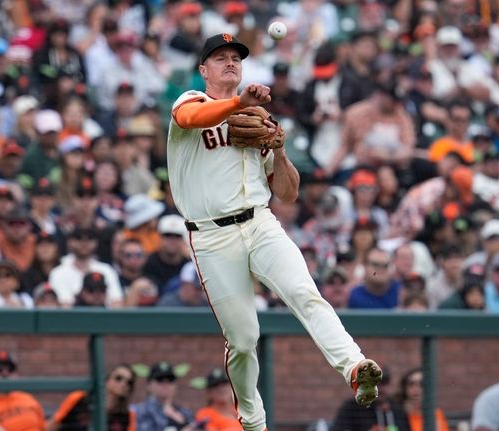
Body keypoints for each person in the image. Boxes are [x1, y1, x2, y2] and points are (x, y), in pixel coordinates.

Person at [166, 33, 382, 431]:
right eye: (219, 58)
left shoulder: (258, 119)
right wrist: (240, 103)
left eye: (235, 57)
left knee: (305, 292)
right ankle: (252, 422)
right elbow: (192, 119)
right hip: (212, 236)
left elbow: (288, 191)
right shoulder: (190, 103)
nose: (229, 62)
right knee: (244, 339)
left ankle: (354, 366)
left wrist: (279, 150)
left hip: (261, 221)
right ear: (203, 70)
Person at [46, 364, 137, 431]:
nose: (123, 384)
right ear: (107, 380)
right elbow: (53, 425)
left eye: (129, 382)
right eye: (118, 378)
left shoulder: (128, 416)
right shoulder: (78, 398)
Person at [331, 367, 411, 431]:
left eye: (384, 383)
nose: (380, 389)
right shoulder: (352, 407)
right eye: (375, 383)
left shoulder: (397, 409)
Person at [132, 362, 195, 431]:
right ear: (149, 385)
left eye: (170, 380)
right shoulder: (139, 411)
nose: (165, 384)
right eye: (160, 380)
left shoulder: (185, 412)